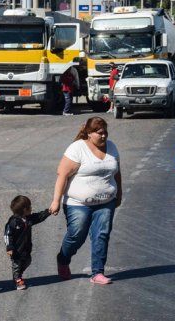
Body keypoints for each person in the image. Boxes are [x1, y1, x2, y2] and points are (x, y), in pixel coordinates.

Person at [50, 117, 123, 285]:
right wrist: (56, 201)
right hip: (78, 204)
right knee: (77, 235)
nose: (104, 136)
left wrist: (119, 193)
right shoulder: (77, 148)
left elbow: (117, 173)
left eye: (105, 132)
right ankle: (63, 259)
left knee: (101, 235)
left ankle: (98, 272)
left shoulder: (112, 147)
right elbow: (62, 174)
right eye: (99, 133)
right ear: (89, 133)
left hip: (106, 201)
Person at [4, 195, 51, 290]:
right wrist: (9, 247)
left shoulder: (28, 219)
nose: (31, 208)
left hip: (26, 248)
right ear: (25, 209)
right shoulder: (13, 222)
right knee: (17, 265)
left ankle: (18, 275)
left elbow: (38, 217)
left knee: (27, 261)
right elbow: (7, 235)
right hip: (16, 250)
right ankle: (17, 280)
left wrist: (48, 212)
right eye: (30, 206)